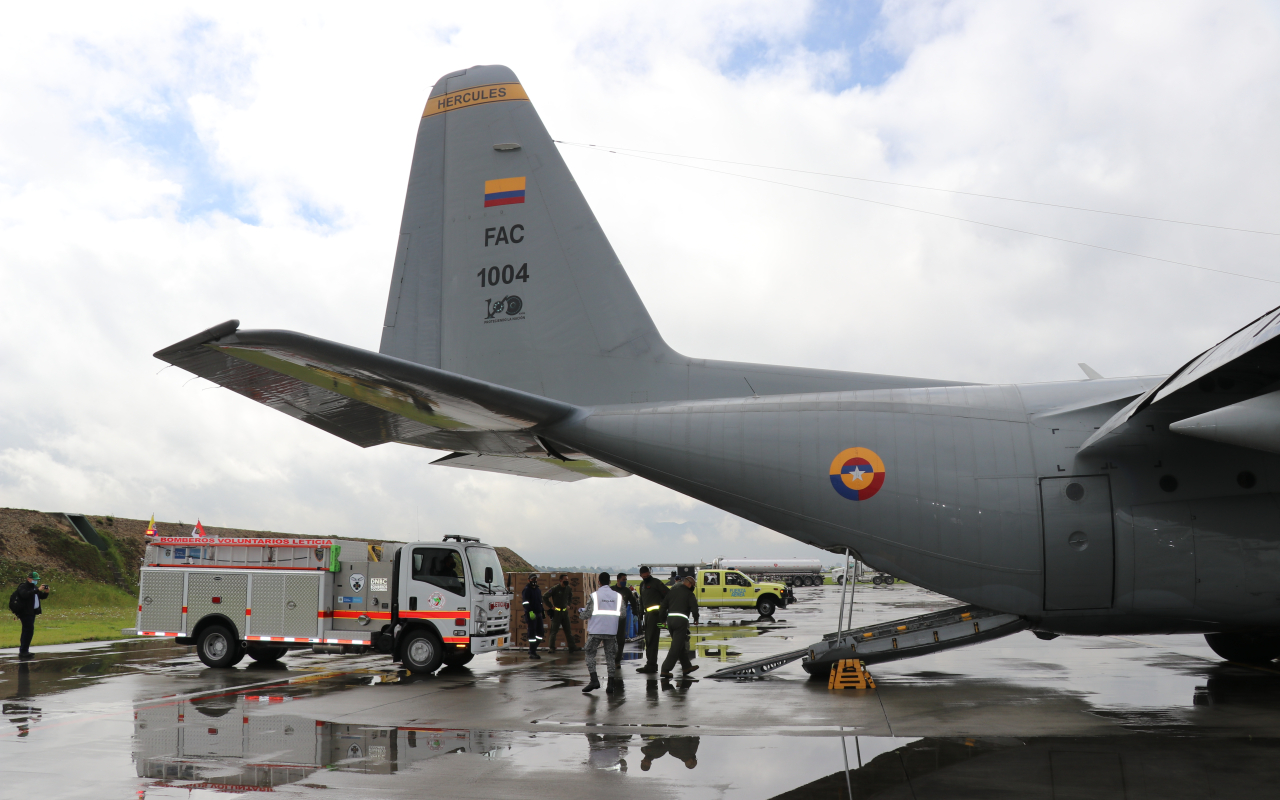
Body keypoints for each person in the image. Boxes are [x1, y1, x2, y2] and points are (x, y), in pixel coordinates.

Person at [580, 572, 623, 694]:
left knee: (589, 652)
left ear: (599, 582)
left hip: (596, 630)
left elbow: (586, 615)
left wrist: (580, 613)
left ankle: (594, 680)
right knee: (610, 657)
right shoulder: (618, 596)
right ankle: (610, 685)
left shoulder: (594, 596)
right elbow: (623, 614)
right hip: (611, 631)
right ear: (610, 582)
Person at [659, 574, 699, 678]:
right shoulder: (689, 594)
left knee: (680, 644)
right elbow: (694, 607)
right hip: (680, 622)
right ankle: (665, 669)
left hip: (670, 621)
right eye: (693, 586)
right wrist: (696, 618)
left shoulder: (672, 591)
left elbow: (663, 606)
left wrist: (663, 620)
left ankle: (686, 667)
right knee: (676, 647)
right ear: (689, 585)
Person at [635, 566, 669, 674]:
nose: (645, 577)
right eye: (643, 576)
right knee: (648, 640)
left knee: (653, 640)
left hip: (656, 616)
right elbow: (641, 600)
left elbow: (668, 595)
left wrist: (663, 613)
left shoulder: (656, 583)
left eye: (647, 575)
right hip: (647, 616)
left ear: (649, 573)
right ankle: (650, 664)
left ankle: (651, 665)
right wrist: (640, 613)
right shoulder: (642, 585)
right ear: (640, 575)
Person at [11, 571, 49, 661]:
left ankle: (25, 650)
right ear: (28, 579)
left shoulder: (35, 587)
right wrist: (37, 590)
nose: (36, 581)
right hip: (24, 612)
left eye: (37, 580)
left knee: (28, 631)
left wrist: (46, 592)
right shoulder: (23, 587)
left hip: (32, 612)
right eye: (34, 579)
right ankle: (23, 651)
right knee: (28, 630)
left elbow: (41, 596)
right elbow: (24, 595)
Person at [545, 574, 579, 652]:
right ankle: (552, 647)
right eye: (565, 579)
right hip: (557, 612)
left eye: (567, 579)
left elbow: (570, 597)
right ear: (560, 580)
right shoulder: (555, 588)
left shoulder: (568, 588)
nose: (566, 581)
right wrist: (551, 606)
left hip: (565, 612)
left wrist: (569, 605)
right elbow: (545, 597)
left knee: (568, 631)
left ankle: (572, 646)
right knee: (554, 631)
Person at [613, 572, 640, 669]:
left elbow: (633, 602)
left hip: (621, 618)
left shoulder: (627, 591)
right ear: (618, 580)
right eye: (623, 580)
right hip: (612, 619)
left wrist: (635, 614)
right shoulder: (612, 590)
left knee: (620, 640)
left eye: (625, 580)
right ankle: (611, 658)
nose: (625, 581)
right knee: (611, 640)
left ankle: (617, 660)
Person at [521, 574, 545, 659]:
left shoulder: (538, 590)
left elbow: (540, 601)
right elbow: (525, 602)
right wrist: (530, 611)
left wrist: (543, 611)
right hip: (531, 614)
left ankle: (533, 648)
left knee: (540, 633)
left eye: (535, 579)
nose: (534, 581)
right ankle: (532, 652)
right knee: (532, 633)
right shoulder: (527, 590)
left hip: (538, 614)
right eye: (532, 579)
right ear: (529, 580)